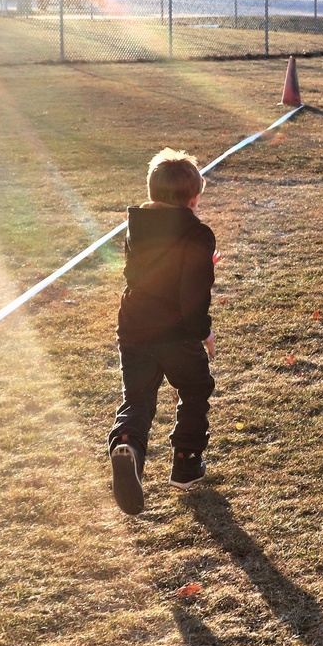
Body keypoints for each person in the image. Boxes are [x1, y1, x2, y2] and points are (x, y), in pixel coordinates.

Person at [107, 148, 218, 517]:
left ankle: (129, 447)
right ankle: (186, 462)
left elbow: (141, 272)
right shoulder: (197, 233)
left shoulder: (136, 226)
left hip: (134, 326)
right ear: (193, 199)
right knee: (195, 388)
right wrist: (203, 331)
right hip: (176, 333)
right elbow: (193, 291)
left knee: (138, 398)